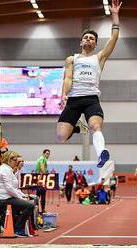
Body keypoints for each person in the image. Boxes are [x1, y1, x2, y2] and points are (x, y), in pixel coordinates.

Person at [56, 0, 122, 168]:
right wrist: (64, 94)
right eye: (86, 37)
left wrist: (115, 15)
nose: (88, 39)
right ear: (81, 42)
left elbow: (114, 38)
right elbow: (68, 78)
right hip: (73, 100)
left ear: (95, 44)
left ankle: (101, 154)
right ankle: (77, 127)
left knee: (95, 127)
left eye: (92, 38)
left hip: (91, 99)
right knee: (61, 137)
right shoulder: (72, 59)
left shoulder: (99, 58)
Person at [0, 151, 34, 236]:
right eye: (15, 160)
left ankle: (16, 226)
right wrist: (20, 197)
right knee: (30, 206)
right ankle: (17, 228)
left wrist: (22, 196)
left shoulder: (8, 169)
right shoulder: (4, 170)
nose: (17, 162)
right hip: (4, 200)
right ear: (9, 159)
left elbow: (14, 188)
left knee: (28, 203)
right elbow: (9, 188)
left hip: (8, 198)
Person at [35, 149, 50, 213]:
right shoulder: (42, 159)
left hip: (39, 178)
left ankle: (37, 210)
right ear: (43, 153)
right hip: (41, 179)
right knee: (42, 195)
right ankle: (42, 210)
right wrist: (45, 173)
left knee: (38, 196)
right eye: (46, 153)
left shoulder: (42, 159)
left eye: (49, 154)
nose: (48, 155)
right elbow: (42, 166)